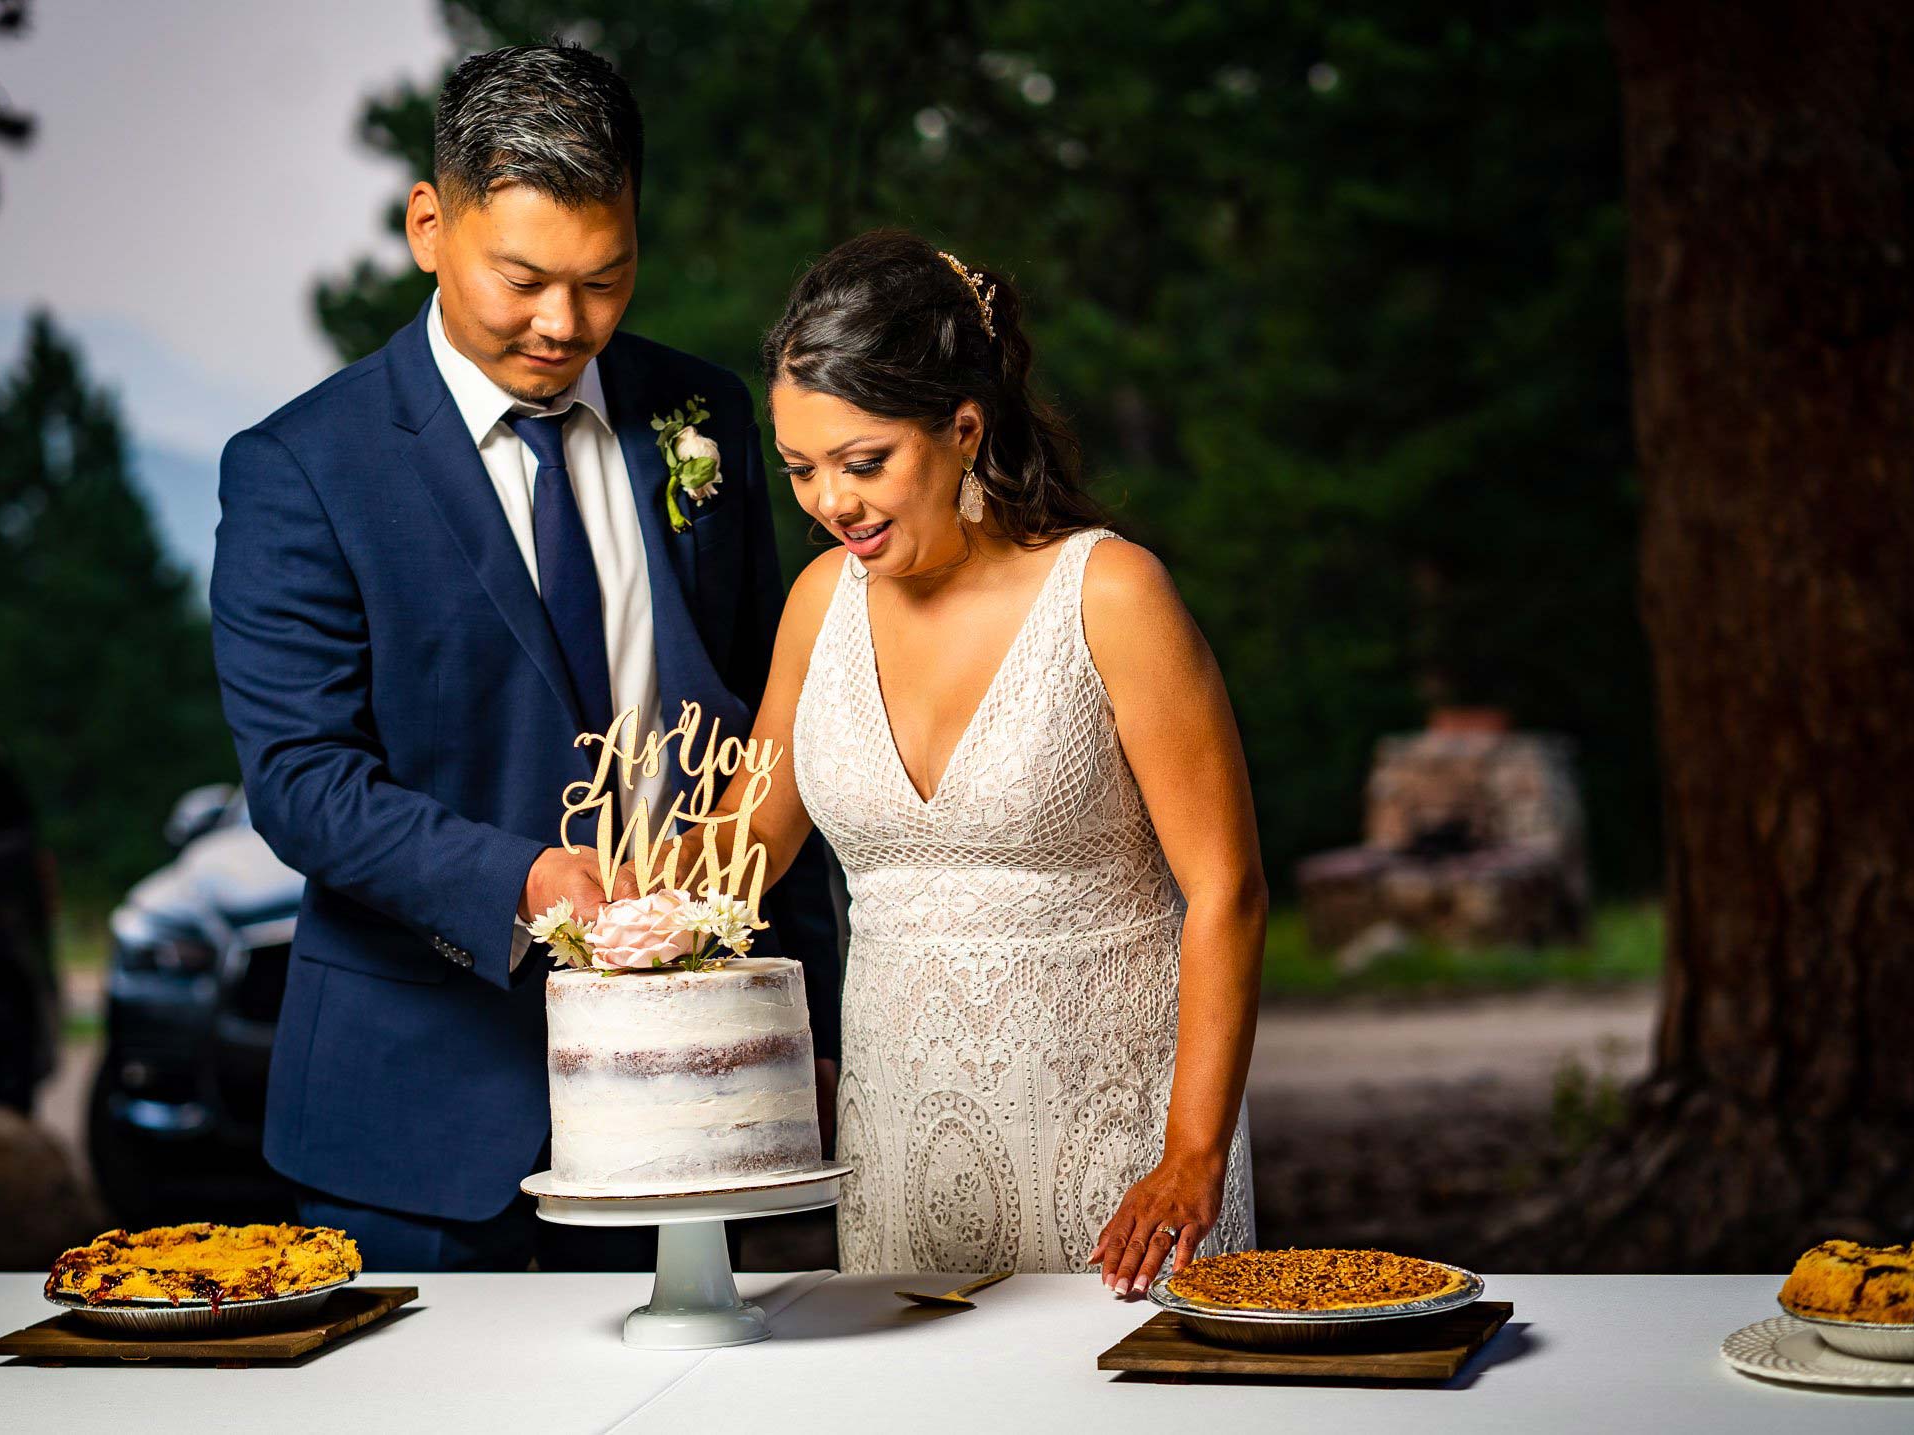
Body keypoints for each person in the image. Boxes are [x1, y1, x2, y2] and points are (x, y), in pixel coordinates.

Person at [208, 43, 841, 1272]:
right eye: (524, 279)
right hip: (415, 1120)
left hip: (695, 1097)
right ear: (429, 224)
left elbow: (782, 722)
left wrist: (803, 1002)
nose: (565, 325)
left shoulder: (698, 419)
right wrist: (524, 882)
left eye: (605, 280)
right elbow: (301, 780)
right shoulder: (302, 468)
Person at [679, 230, 1262, 1294]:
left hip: (1115, 1149)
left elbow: (1226, 889)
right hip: (899, 1149)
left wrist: (1191, 1155)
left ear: (961, 428)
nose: (830, 503)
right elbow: (747, 844)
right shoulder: (818, 607)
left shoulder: (1110, 595)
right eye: (801, 468)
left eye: (864, 463)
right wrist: (615, 901)